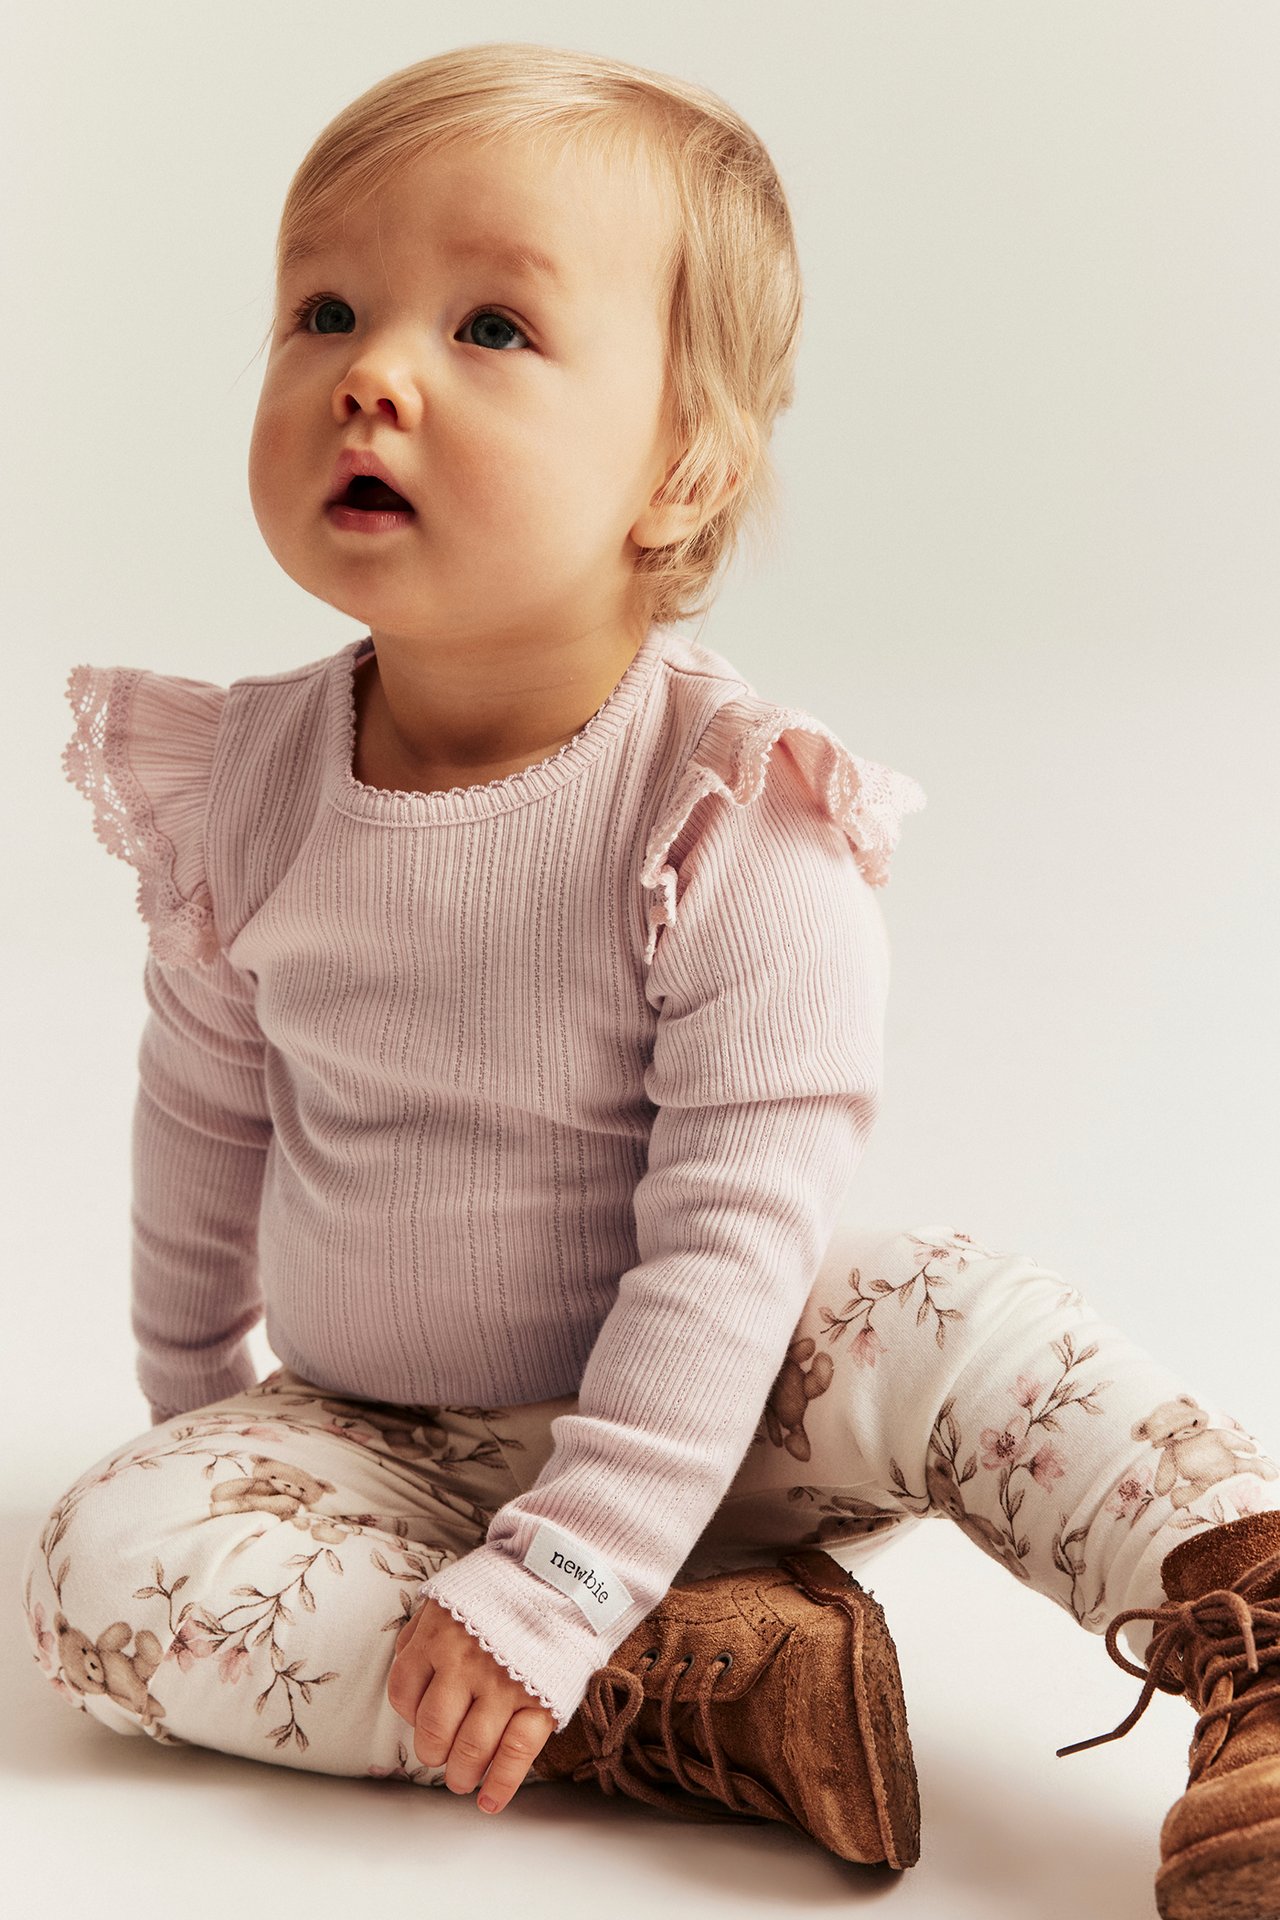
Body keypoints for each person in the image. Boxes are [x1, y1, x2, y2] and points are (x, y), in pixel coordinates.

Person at [21, 41, 1280, 1919]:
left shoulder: (730, 820)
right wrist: (201, 1415)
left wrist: (597, 1538)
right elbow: (205, 1109)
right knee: (90, 1574)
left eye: (494, 329)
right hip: (384, 1434)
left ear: (680, 462)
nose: (372, 371)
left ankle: (1237, 1617)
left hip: (723, 1391)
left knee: (956, 1314)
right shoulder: (248, 786)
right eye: (326, 310)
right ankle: (693, 1691)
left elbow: (725, 1236)